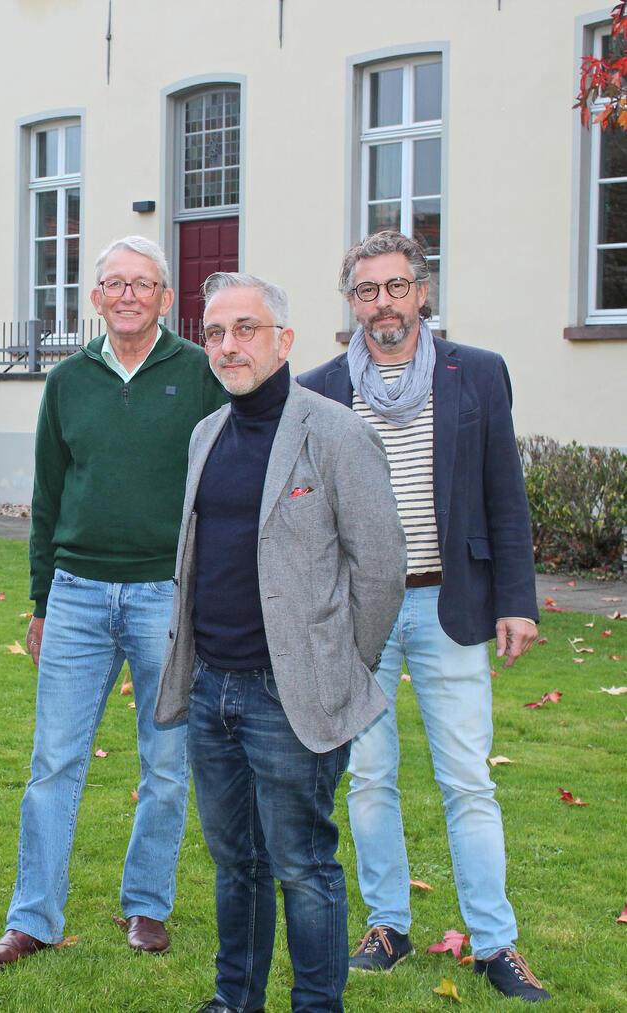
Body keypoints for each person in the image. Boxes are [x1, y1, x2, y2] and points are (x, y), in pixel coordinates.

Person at [298, 231, 548, 1002]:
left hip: (453, 603)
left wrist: (517, 600)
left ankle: (495, 943)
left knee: (468, 780)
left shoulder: (475, 374)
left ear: (423, 293)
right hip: (358, 610)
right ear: (351, 302)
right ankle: (387, 924)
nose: (384, 304)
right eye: (368, 291)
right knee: (370, 777)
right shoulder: (320, 388)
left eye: (397, 287)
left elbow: (505, 493)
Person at [0, 237, 228, 968]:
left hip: (165, 595)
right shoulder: (68, 381)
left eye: (141, 284)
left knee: (166, 761)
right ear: (95, 297)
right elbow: (48, 497)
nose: (127, 296)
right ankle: (33, 917)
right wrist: (41, 600)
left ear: (165, 297)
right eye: (113, 283)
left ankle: (147, 905)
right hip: (78, 594)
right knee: (54, 761)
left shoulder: (198, 373)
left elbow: (223, 483)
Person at [155, 271, 406, 1013]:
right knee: (236, 864)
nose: (228, 346)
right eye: (215, 333)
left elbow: (382, 568)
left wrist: (339, 667)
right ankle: (236, 998)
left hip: (290, 695)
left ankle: (316, 1005)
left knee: (304, 866)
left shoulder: (334, 432)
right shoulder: (207, 434)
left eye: (245, 330)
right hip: (213, 689)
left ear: (284, 341)